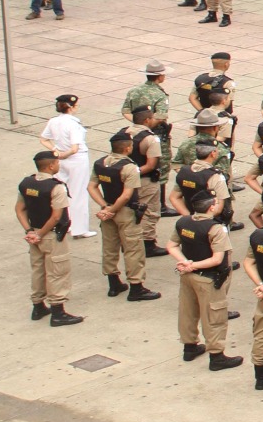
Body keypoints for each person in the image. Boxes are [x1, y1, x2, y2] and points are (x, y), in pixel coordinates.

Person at [169, 190, 242, 370]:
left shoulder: (183, 222)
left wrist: (185, 263)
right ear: (211, 207)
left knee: (188, 311)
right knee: (214, 316)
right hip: (208, 278)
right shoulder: (215, 228)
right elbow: (217, 259)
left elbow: (171, 245)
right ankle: (217, 356)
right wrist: (193, 265)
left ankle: (190, 347)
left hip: (187, 276)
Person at [89, 129, 158, 301]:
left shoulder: (100, 163)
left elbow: (91, 187)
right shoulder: (129, 167)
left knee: (109, 247)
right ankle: (136, 287)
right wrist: (112, 210)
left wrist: (105, 207)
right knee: (133, 249)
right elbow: (127, 194)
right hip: (125, 211)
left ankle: (113, 283)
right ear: (127, 149)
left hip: (109, 210)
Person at [17, 150, 82, 326]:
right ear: (51, 165)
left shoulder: (26, 183)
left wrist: (30, 231)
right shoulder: (56, 187)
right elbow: (55, 216)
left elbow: (19, 209)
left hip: (35, 234)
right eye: (57, 163)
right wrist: (40, 234)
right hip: (51, 235)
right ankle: (58, 311)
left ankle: (38, 306)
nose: (58, 165)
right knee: (57, 272)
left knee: (38, 270)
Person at [40, 94, 95, 238]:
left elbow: (44, 139)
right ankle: (79, 229)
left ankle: (67, 223)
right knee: (78, 193)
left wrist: (56, 151)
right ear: (71, 107)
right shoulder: (73, 124)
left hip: (60, 160)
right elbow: (75, 148)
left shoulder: (53, 121)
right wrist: (65, 154)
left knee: (64, 192)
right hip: (76, 159)